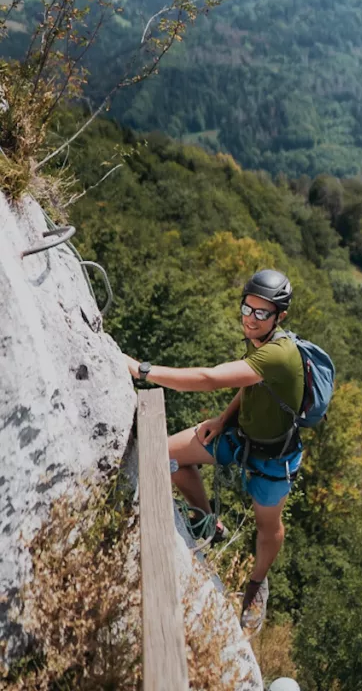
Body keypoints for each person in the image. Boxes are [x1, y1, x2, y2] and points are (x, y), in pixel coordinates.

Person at [122, 268, 304, 633]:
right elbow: (250, 383)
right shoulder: (261, 345)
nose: (250, 320)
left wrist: (142, 370)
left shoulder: (281, 353)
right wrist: (222, 420)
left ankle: (256, 585)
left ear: (280, 316)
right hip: (239, 434)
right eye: (246, 309)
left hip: (273, 457)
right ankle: (207, 523)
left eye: (261, 313)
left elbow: (209, 379)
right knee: (161, 453)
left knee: (268, 529)